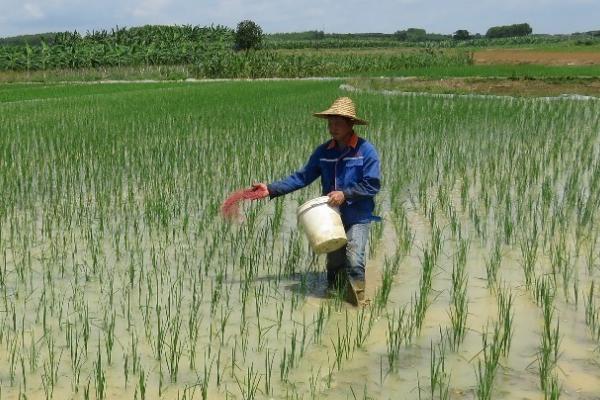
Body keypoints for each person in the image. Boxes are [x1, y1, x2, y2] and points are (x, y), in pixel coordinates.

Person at [252, 97, 381, 305]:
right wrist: (271, 188)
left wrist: (345, 194)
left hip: (358, 215)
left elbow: (372, 185)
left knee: (355, 258)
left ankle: (358, 301)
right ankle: (333, 300)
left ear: (351, 124)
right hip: (332, 216)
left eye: (339, 123)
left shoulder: (366, 151)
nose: (333, 127)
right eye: (330, 122)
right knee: (335, 263)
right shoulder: (323, 152)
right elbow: (302, 177)